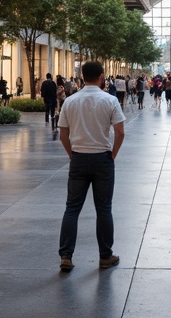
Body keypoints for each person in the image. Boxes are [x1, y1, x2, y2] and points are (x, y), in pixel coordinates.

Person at [57, 61, 125, 272]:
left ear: (82, 76)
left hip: (78, 158)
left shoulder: (70, 100)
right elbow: (120, 132)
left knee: (72, 208)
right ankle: (105, 256)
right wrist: (112, 155)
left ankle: (66, 256)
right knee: (104, 208)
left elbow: (63, 133)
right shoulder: (110, 100)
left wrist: (72, 154)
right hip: (102, 159)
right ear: (102, 76)